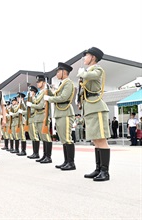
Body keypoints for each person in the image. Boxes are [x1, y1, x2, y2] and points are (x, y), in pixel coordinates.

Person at [77, 47, 111, 181]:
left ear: (93, 58)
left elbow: (92, 76)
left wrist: (82, 73)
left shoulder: (97, 69)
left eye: (87, 55)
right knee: (95, 140)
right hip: (89, 107)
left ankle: (105, 171)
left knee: (101, 139)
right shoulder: (87, 71)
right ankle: (98, 169)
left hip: (97, 107)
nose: (84, 58)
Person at [44, 62, 76, 171]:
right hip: (59, 113)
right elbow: (57, 95)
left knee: (67, 138)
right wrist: (50, 92)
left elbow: (63, 97)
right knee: (63, 139)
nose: (57, 74)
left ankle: (71, 163)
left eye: (58, 72)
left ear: (64, 72)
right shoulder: (62, 84)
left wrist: (50, 99)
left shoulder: (68, 83)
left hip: (65, 112)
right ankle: (66, 161)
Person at [29, 75, 53, 164]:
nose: (37, 84)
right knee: (42, 137)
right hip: (38, 117)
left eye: (39, 82)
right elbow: (36, 102)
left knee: (46, 137)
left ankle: (48, 156)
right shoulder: (40, 93)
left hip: (44, 115)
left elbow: (40, 106)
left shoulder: (45, 91)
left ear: (43, 82)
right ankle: (44, 155)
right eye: (37, 82)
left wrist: (31, 105)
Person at [25, 85, 41, 159]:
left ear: (34, 93)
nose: (30, 93)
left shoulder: (35, 99)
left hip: (34, 118)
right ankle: (34, 152)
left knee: (35, 136)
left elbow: (34, 109)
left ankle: (36, 153)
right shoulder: (30, 100)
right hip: (30, 119)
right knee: (32, 136)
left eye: (31, 91)